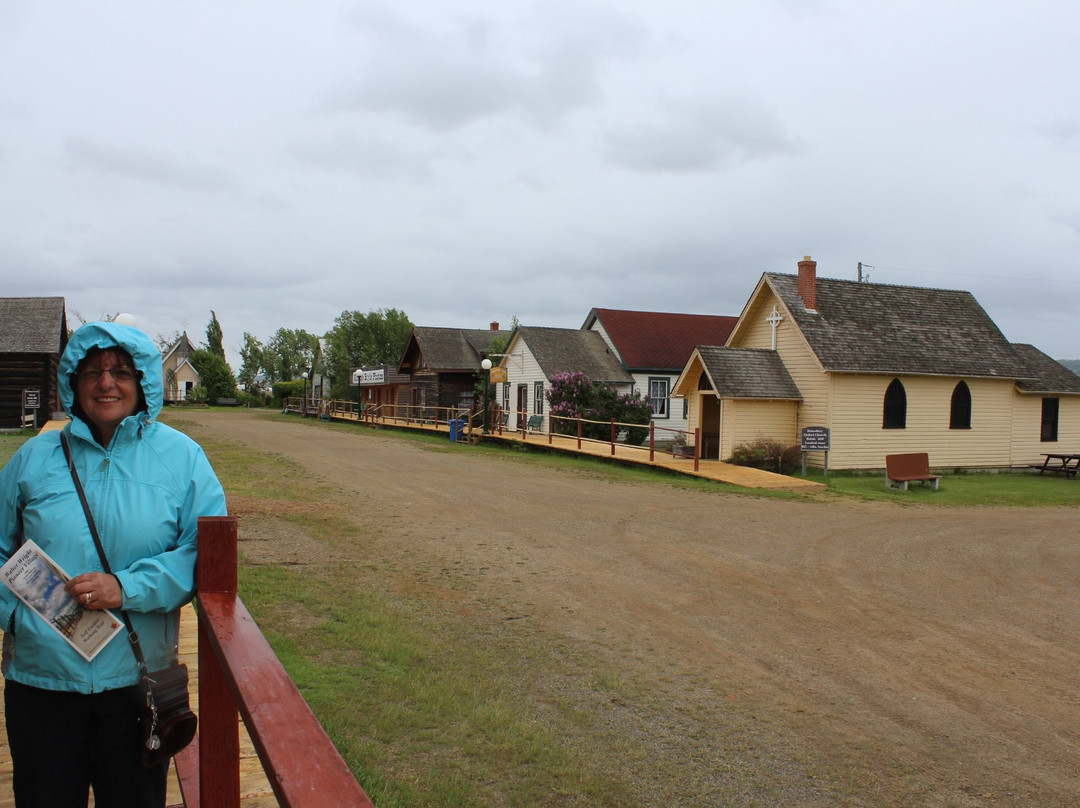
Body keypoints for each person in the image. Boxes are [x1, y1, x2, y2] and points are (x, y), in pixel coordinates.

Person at [0, 321, 227, 808]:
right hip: (40, 684)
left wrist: (126, 588)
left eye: (122, 371)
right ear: (73, 382)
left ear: (145, 380)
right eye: (93, 372)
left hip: (134, 688)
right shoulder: (33, 458)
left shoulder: (184, 460)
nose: (106, 383)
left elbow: (204, 554)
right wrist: (16, 617)